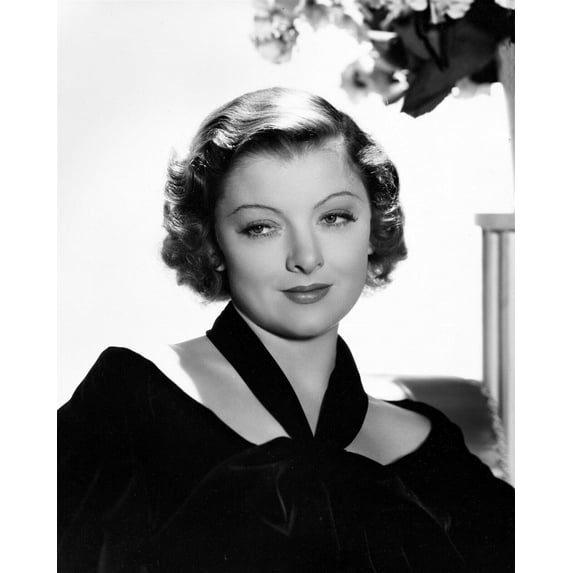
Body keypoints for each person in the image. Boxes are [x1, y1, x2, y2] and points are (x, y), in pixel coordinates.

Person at [58, 87, 514, 572]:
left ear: (373, 227)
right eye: (261, 227)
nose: (306, 257)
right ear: (212, 243)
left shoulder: (430, 443)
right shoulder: (133, 400)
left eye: (334, 217)